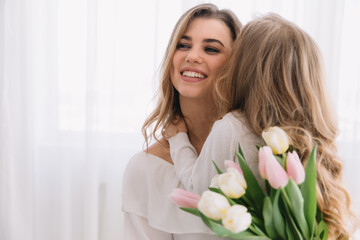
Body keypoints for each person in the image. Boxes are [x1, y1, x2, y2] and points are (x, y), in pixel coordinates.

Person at [166, 13, 359, 239]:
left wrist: (178, 139)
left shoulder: (231, 127)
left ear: (242, 69)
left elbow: (198, 189)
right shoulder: (307, 140)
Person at [121, 4, 243, 239]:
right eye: (183, 45)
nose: (192, 56)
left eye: (211, 49)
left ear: (236, 65)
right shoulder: (145, 170)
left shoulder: (256, 155)